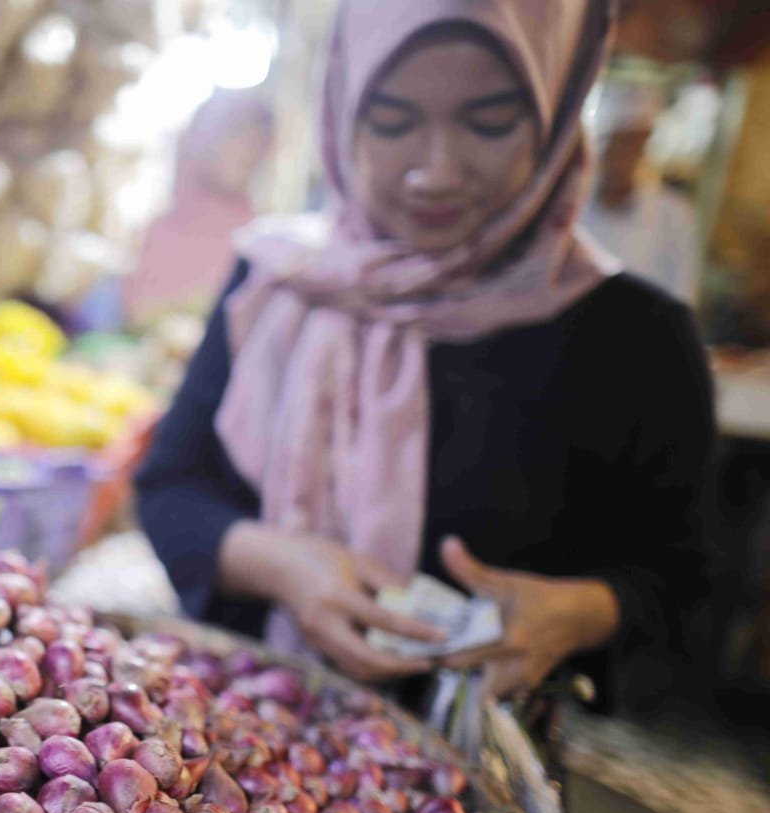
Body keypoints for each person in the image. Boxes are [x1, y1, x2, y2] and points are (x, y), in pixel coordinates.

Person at [135, 0, 715, 708]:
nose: (436, 173)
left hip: (470, 770)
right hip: (233, 745)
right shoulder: (276, 283)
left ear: (559, 108)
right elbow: (170, 487)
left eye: (490, 121)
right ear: (343, 107)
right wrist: (280, 565)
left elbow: (683, 583)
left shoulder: (634, 339)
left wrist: (580, 612)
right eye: (393, 120)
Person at [123, 90, 275, 326]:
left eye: (259, 139)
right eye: (236, 133)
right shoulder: (156, 231)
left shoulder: (263, 243)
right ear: (203, 138)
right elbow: (134, 315)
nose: (249, 149)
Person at [580, 77, 702, 306]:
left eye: (632, 144)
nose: (622, 157)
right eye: (615, 143)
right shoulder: (569, 207)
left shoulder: (674, 216)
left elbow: (682, 301)